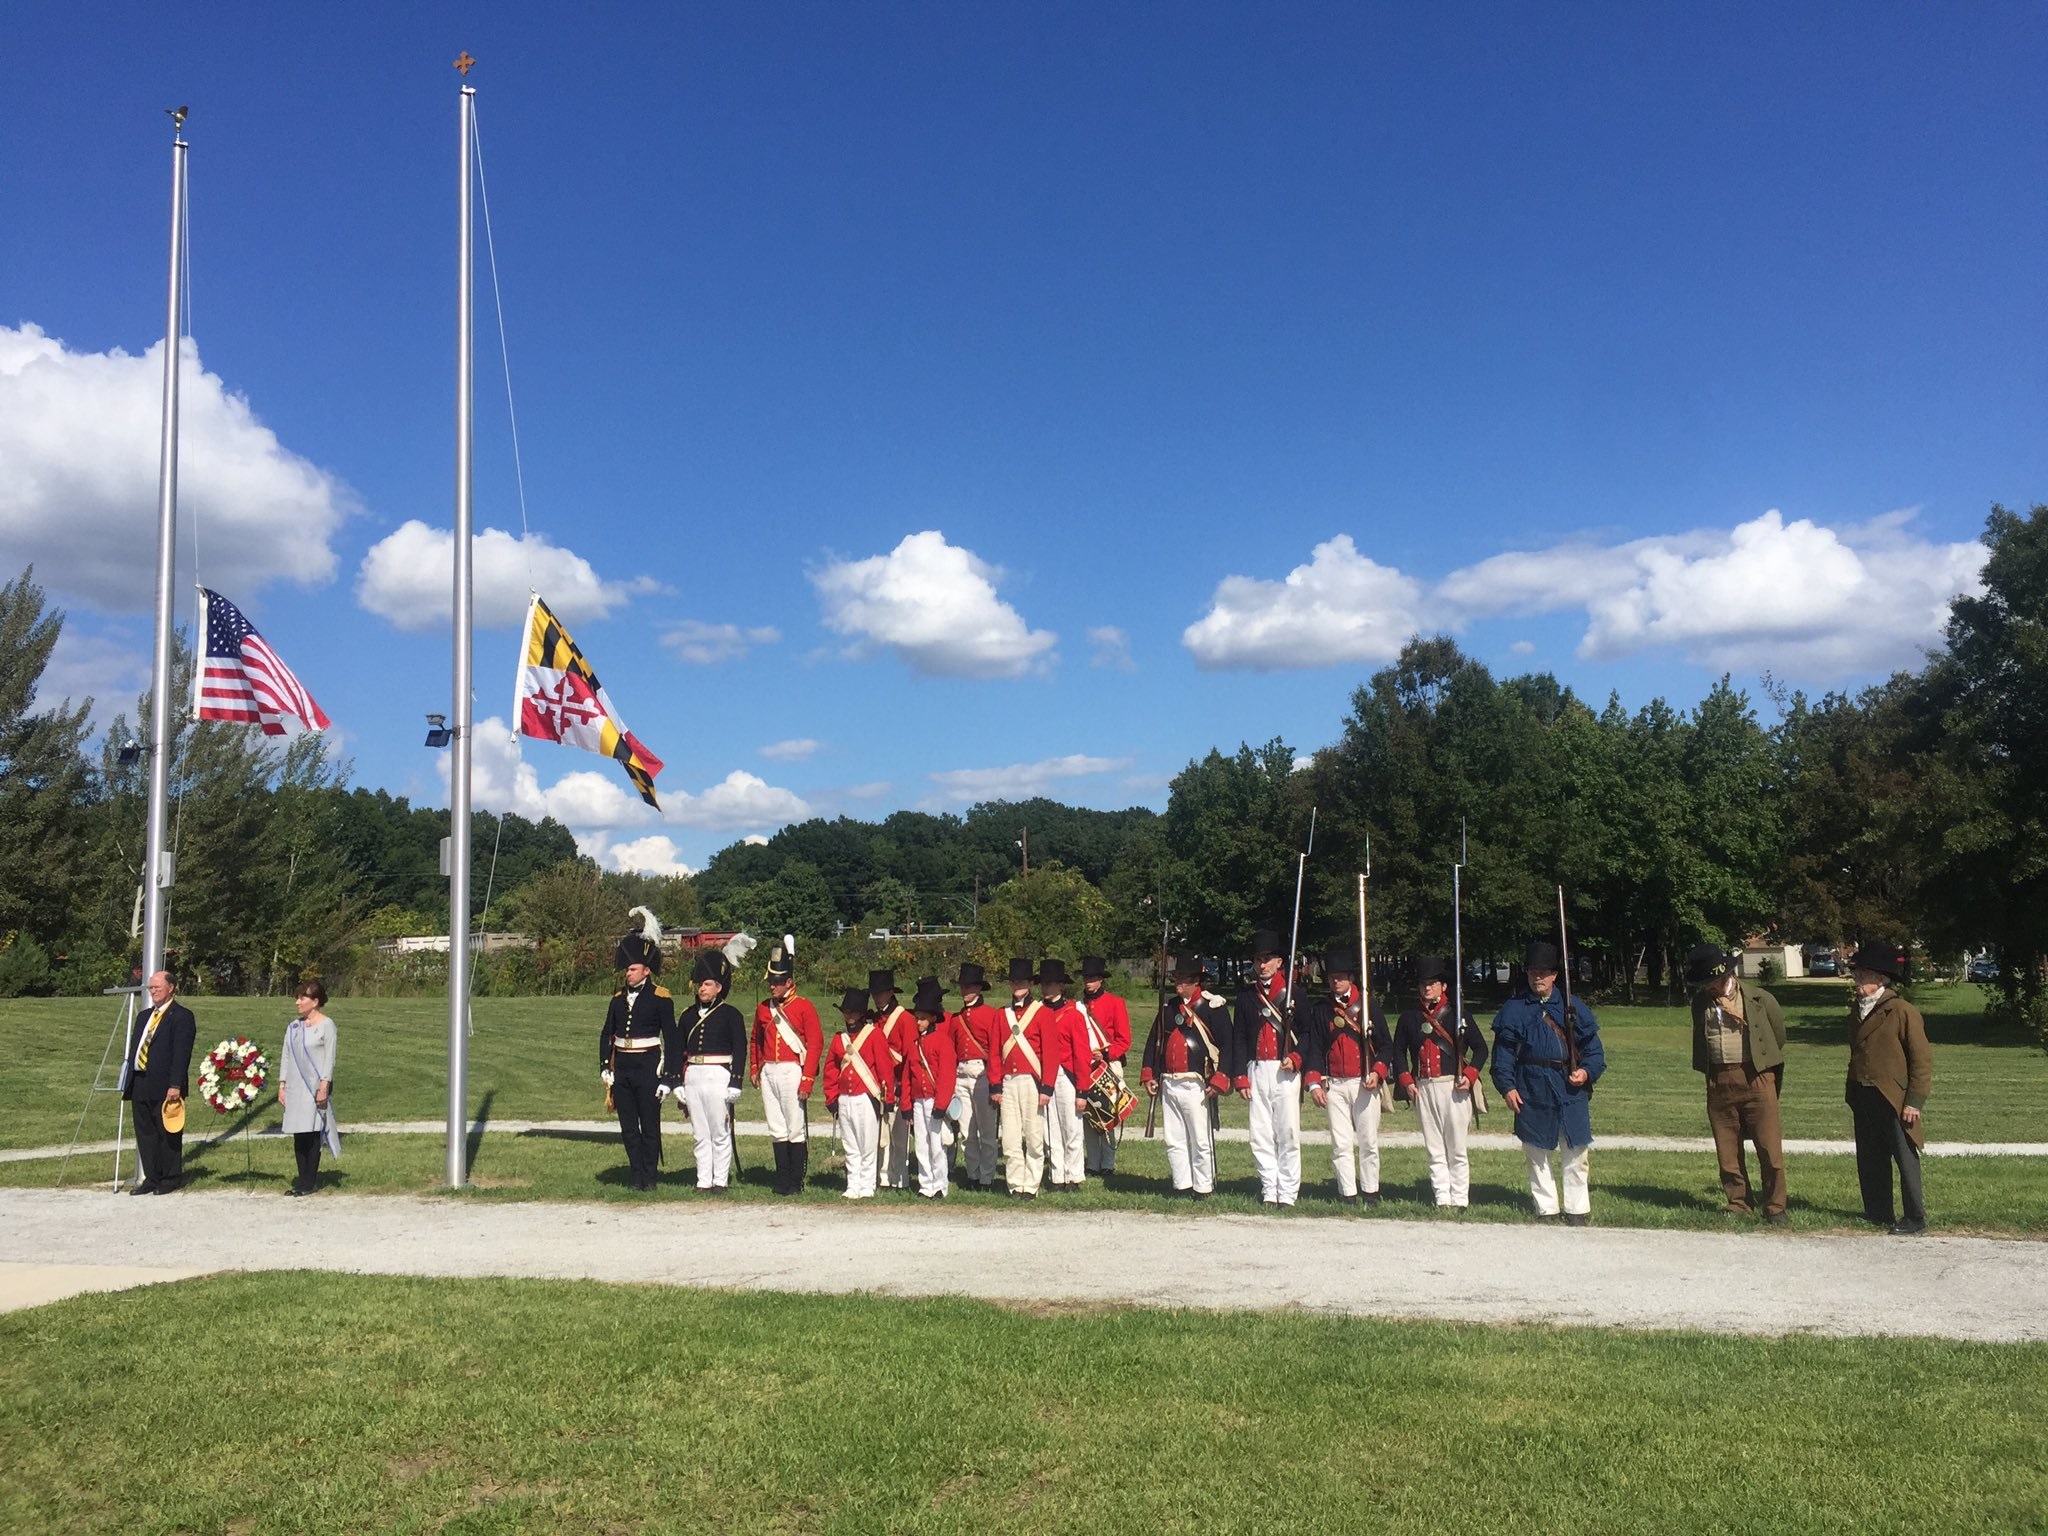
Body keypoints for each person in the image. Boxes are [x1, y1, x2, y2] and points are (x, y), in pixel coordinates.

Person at [1490, 941, 1605, 1225]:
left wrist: (1587, 1072)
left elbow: (1594, 1051)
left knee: (1576, 1150)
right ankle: (1547, 1207)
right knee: (1535, 1151)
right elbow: (1502, 1055)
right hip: (1531, 1085)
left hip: (1568, 1086)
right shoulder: (1514, 1009)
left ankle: (1577, 1209)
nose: (1537, 977)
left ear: (1555, 975)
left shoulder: (1572, 1006)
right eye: (1532, 972)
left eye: (1543, 972)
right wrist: (1507, 1087)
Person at [1686, 942, 1789, 1225]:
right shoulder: (1700, 1004)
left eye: (1710, 981)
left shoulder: (1759, 998)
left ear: (1724, 976)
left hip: (1757, 1076)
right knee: (1727, 1147)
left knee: (1769, 1148)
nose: (1707, 987)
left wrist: (1761, 1067)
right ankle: (1738, 1202)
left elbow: (1777, 1036)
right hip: (1719, 1079)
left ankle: (1776, 1206)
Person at [1844, 942, 1933, 1235]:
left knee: (1904, 1157)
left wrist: (1914, 1101)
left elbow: (1921, 1060)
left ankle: (1915, 1217)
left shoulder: (1902, 1011)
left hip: (1894, 1096)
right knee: (1870, 1155)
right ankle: (1878, 1211)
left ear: (1880, 979)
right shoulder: (1856, 1009)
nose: (1856, 978)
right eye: (1856, 973)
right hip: (1864, 1092)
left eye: (1862, 974)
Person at [1303, 944, 1394, 1207]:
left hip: (1364, 1082)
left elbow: (1386, 1045)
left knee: (1368, 1141)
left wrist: (1378, 1072)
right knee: (1340, 1143)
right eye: (1332, 977)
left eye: (1341, 976)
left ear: (1351, 978)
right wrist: (1314, 1083)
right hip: (1334, 1084)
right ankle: (1347, 1193)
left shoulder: (1367, 1006)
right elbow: (1316, 1048)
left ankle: (1370, 1190)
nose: (1336, 981)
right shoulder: (1321, 1009)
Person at [1394, 956, 1487, 1211]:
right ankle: (1441, 1198)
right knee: (1434, 1148)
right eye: (1424, 984)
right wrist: (1406, 1080)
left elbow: (1481, 1049)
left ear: (1443, 986)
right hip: (1423, 1087)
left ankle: (1460, 1198)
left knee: (1456, 1148)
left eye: (1433, 983)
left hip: (1453, 1087)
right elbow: (1398, 1052)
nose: (1427, 988)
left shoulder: (1459, 1014)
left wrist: (1469, 1075)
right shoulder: (1410, 1017)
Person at [1139, 954, 1231, 1198]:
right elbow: (1154, 1042)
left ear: (1196, 981)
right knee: (1174, 1137)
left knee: (1200, 1138)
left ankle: (1203, 1186)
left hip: (1197, 1082)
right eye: (1177, 978)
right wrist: (1150, 1072)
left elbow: (1228, 1046)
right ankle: (1182, 1184)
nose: (1178, 983)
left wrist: (1221, 1077)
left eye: (1183, 979)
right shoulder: (1169, 1007)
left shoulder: (1213, 1008)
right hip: (1169, 1081)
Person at [599, 920, 678, 1192]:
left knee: (650, 1126)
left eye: (632, 970)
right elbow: (606, 1034)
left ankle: (650, 1176)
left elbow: (672, 1037)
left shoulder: (661, 998)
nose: (627, 974)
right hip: (623, 1067)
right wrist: (604, 1067)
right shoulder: (617, 998)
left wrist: (669, 1077)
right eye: (627, 970)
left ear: (646, 970)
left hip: (648, 1066)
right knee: (629, 1128)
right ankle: (635, 1175)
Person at [1234, 928, 1303, 1207]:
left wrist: (1297, 1057)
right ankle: (1268, 1188)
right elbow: (1239, 1036)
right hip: (1257, 1069)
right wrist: (1240, 1075)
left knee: (1287, 1133)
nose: (1262, 965)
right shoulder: (1247, 997)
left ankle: (1287, 1192)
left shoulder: (1294, 994)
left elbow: (1307, 1034)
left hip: (1285, 1070)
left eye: (1268, 959)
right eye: (1258, 959)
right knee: (1260, 1134)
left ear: (1279, 962)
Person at [752, 941, 823, 1197]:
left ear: (789, 981)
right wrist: (755, 1067)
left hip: (792, 1070)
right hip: (769, 1070)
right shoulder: (763, 1008)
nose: (772, 985)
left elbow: (815, 1043)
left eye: (777, 981)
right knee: (776, 1127)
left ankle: (796, 1181)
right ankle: (781, 1179)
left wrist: (807, 1079)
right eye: (771, 980)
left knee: (795, 1127)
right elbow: (756, 1041)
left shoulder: (804, 1006)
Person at [680, 949, 747, 1192]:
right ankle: (703, 1180)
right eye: (700, 984)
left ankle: (720, 1180)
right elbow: (680, 1051)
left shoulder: (731, 1015)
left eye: (707, 984)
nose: (702, 989)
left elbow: (740, 1049)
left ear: (719, 987)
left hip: (719, 1074)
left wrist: (736, 1083)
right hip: (693, 1076)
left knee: (719, 1130)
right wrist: (677, 1082)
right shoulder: (687, 1016)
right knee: (700, 1132)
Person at [123, 969, 196, 1194]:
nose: (153, 991)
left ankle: (170, 1177)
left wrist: (175, 1084)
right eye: (151, 987)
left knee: (168, 1132)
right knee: (145, 1133)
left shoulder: (181, 1016)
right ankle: (151, 1178)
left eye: (157, 987)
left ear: (171, 987)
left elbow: (181, 1053)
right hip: (140, 1081)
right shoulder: (144, 1016)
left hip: (166, 1085)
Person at [987, 957, 1054, 1199]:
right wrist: (995, 1084)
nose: (1018, 986)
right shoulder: (1001, 1014)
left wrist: (1047, 1087)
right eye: (1014, 981)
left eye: (1022, 981)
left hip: (1032, 1082)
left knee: (1034, 1136)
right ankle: (1015, 1184)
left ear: (1030, 984)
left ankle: (1032, 1185)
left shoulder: (1042, 1013)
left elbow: (1050, 1054)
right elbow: (995, 1053)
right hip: (1008, 1081)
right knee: (1011, 1138)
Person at [823, 989, 891, 1199]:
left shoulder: (874, 1035)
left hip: (865, 1096)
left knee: (868, 1144)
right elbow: (831, 1070)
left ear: (862, 1014)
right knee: (850, 1144)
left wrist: (887, 1098)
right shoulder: (839, 1039)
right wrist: (831, 1097)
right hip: (845, 1098)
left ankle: (868, 1184)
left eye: (853, 1012)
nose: (849, 1015)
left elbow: (884, 1068)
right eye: (846, 1011)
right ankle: (853, 1184)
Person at [279, 980, 339, 1196]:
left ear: (315, 1001)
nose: (297, 1002)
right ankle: (300, 1178)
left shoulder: (327, 1025)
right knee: (299, 1133)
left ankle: (309, 1181)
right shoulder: (293, 1027)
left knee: (311, 1132)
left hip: (314, 1087)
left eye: (302, 998)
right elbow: (286, 1056)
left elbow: (329, 1059)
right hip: (295, 1087)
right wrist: (282, 1085)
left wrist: (324, 1086)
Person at [1037, 959, 1093, 1191]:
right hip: (1045, 1076)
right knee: (1050, 1130)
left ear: (1061, 986)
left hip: (1067, 1076)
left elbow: (1082, 1055)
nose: (1046, 988)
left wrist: (1082, 1090)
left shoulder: (1073, 1015)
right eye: (1043, 984)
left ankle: (1074, 1175)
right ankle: (1057, 1176)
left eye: (1050, 984)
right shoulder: (1038, 1012)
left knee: (1071, 1128)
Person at [904, 979, 960, 1199]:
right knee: (921, 1144)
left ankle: (939, 1185)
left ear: (933, 1019)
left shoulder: (942, 1041)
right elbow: (909, 1077)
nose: (918, 1022)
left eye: (923, 1019)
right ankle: (925, 1184)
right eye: (917, 1018)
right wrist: (907, 1105)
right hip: (918, 1100)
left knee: (936, 1145)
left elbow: (947, 1076)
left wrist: (941, 1103)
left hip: (935, 1100)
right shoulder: (914, 1043)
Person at [948, 961, 1002, 1190]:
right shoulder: (956, 1018)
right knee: (967, 1131)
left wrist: (995, 1082)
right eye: (963, 986)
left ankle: (987, 1177)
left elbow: (996, 1050)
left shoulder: (991, 1015)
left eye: (970, 987)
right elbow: (951, 1051)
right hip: (961, 1075)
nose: (965, 991)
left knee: (987, 1131)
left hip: (983, 1073)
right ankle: (972, 1174)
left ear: (979, 989)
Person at [1077, 956, 1132, 1176]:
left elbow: (1124, 1039)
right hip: (1086, 1067)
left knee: (1108, 1115)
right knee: (1089, 1117)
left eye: (1092, 978)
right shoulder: (1078, 1006)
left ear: (1101, 979)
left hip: (1109, 1064)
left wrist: (1106, 1053)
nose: (1088, 982)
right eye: (1086, 978)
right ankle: (1092, 1163)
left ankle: (1108, 1163)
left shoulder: (1115, 1003)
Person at [869, 969, 916, 1191]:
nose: (877, 998)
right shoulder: (873, 1020)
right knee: (879, 1135)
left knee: (898, 1137)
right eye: (874, 994)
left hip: (897, 1083)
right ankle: (882, 1177)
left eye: (881, 994)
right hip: (876, 1084)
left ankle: (899, 1178)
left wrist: (904, 1088)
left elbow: (909, 1057)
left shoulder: (904, 1019)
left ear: (890, 993)